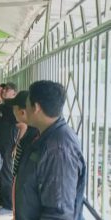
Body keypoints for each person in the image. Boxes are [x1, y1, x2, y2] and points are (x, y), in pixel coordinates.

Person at [15, 80, 86, 219]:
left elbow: (58, 213)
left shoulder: (58, 149)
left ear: (36, 107)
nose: (25, 109)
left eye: (27, 103)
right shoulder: (44, 135)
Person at [4, 91, 39, 217]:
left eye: (14, 108)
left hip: (27, 204)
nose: (12, 112)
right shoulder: (31, 132)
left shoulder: (37, 138)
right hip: (21, 200)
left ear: (22, 112)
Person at [0, 82, 18, 213]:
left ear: (13, 93)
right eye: (3, 89)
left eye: (7, 89)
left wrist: (16, 146)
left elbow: (23, 126)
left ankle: (9, 206)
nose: (3, 91)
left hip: (7, 146)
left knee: (6, 174)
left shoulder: (12, 108)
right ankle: (1, 200)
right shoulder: (1, 106)